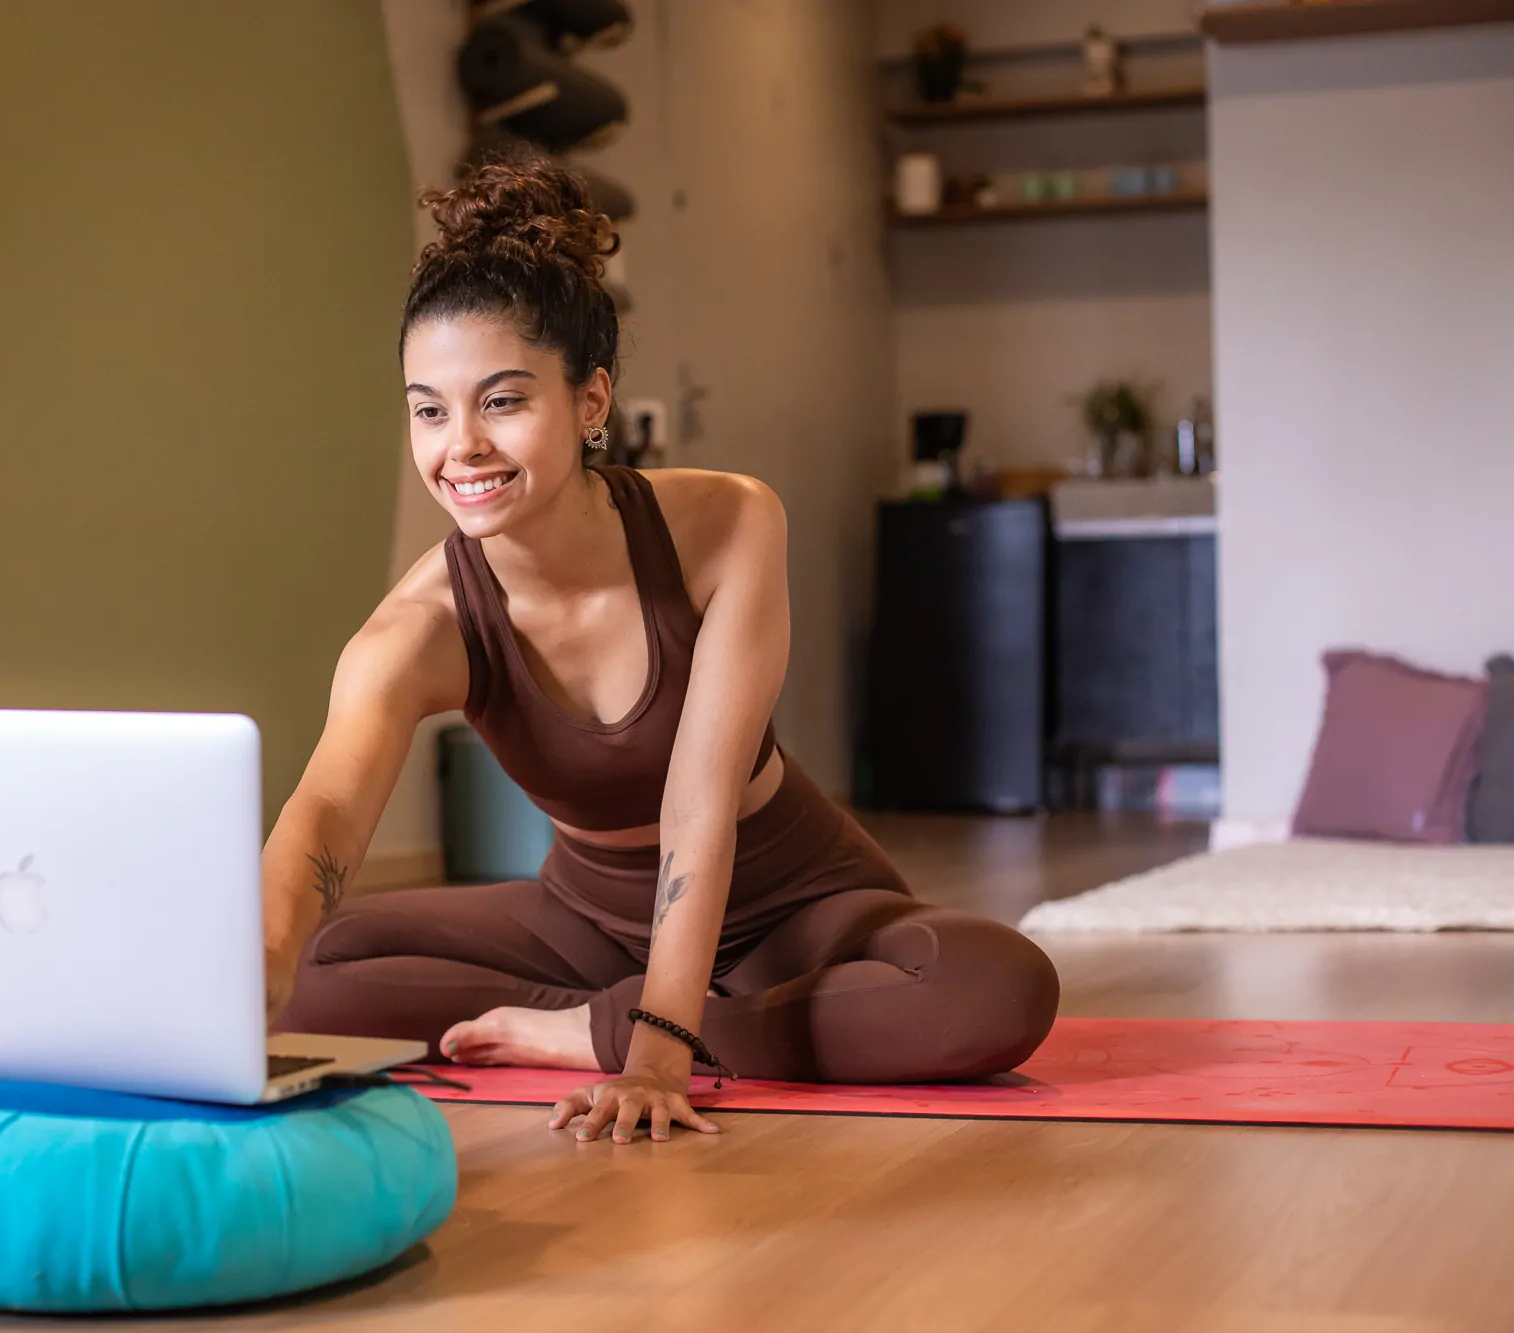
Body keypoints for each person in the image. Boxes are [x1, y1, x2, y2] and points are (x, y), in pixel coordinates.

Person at [264, 156, 1058, 1146]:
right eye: (429, 409)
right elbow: (329, 811)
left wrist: (650, 1049)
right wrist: (260, 957)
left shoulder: (725, 524)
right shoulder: (415, 628)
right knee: (322, 965)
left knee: (989, 986)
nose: (458, 446)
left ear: (590, 402)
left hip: (787, 905)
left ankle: (601, 1025)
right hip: (586, 921)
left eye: (501, 401)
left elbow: (697, 803)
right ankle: (633, 1005)